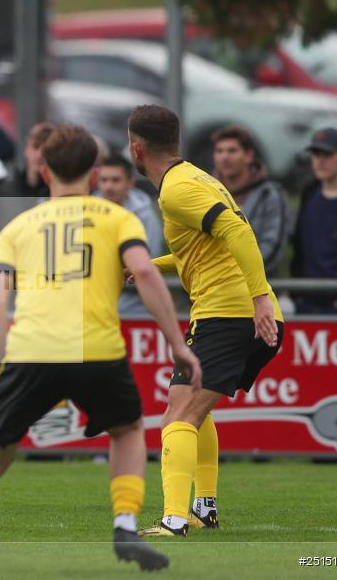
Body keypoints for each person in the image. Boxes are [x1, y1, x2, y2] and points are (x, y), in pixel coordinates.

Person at [0, 125, 200, 575]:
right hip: (97, 351)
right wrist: (176, 343)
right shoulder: (117, 218)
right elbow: (146, 275)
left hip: (32, 351)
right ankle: (125, 525)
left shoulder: (17, 226)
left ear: (44, 171)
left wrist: (0, 366)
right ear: (94, 172)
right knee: (127, 430)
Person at [124, 105, 283, 538]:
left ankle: (174, 520)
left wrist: (259, 299)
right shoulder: (195, 177)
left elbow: (238, 231)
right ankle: (204, 507)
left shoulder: (176, 190)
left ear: (136, 149)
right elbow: (200, 249)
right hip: (234, 313)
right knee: (189, 409)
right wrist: (146, 265)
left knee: (177, 418)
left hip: (230, 314)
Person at [291, 127, 337, 314]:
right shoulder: (309, 193)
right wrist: (297, 292)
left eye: (327, 154)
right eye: (315, 154)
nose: (319, 161)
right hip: (307, 300)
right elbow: (299, 246)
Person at [211, 125, 288, 276]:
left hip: (258, 288)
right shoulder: (206, 192)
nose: (224, 157)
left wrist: (234, 273)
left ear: (249, 156)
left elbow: (273, 247)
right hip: (212, 287)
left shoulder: (269, 194)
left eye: (232, 151)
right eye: (219, 151)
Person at [95, 154, 163, 316]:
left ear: (130, 183)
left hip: (136, 309)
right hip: (94, 307)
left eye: (115, 180)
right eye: (103, 180)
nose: (108, 186)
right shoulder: (86, 212)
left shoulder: (146, 217)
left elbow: (149, 263)